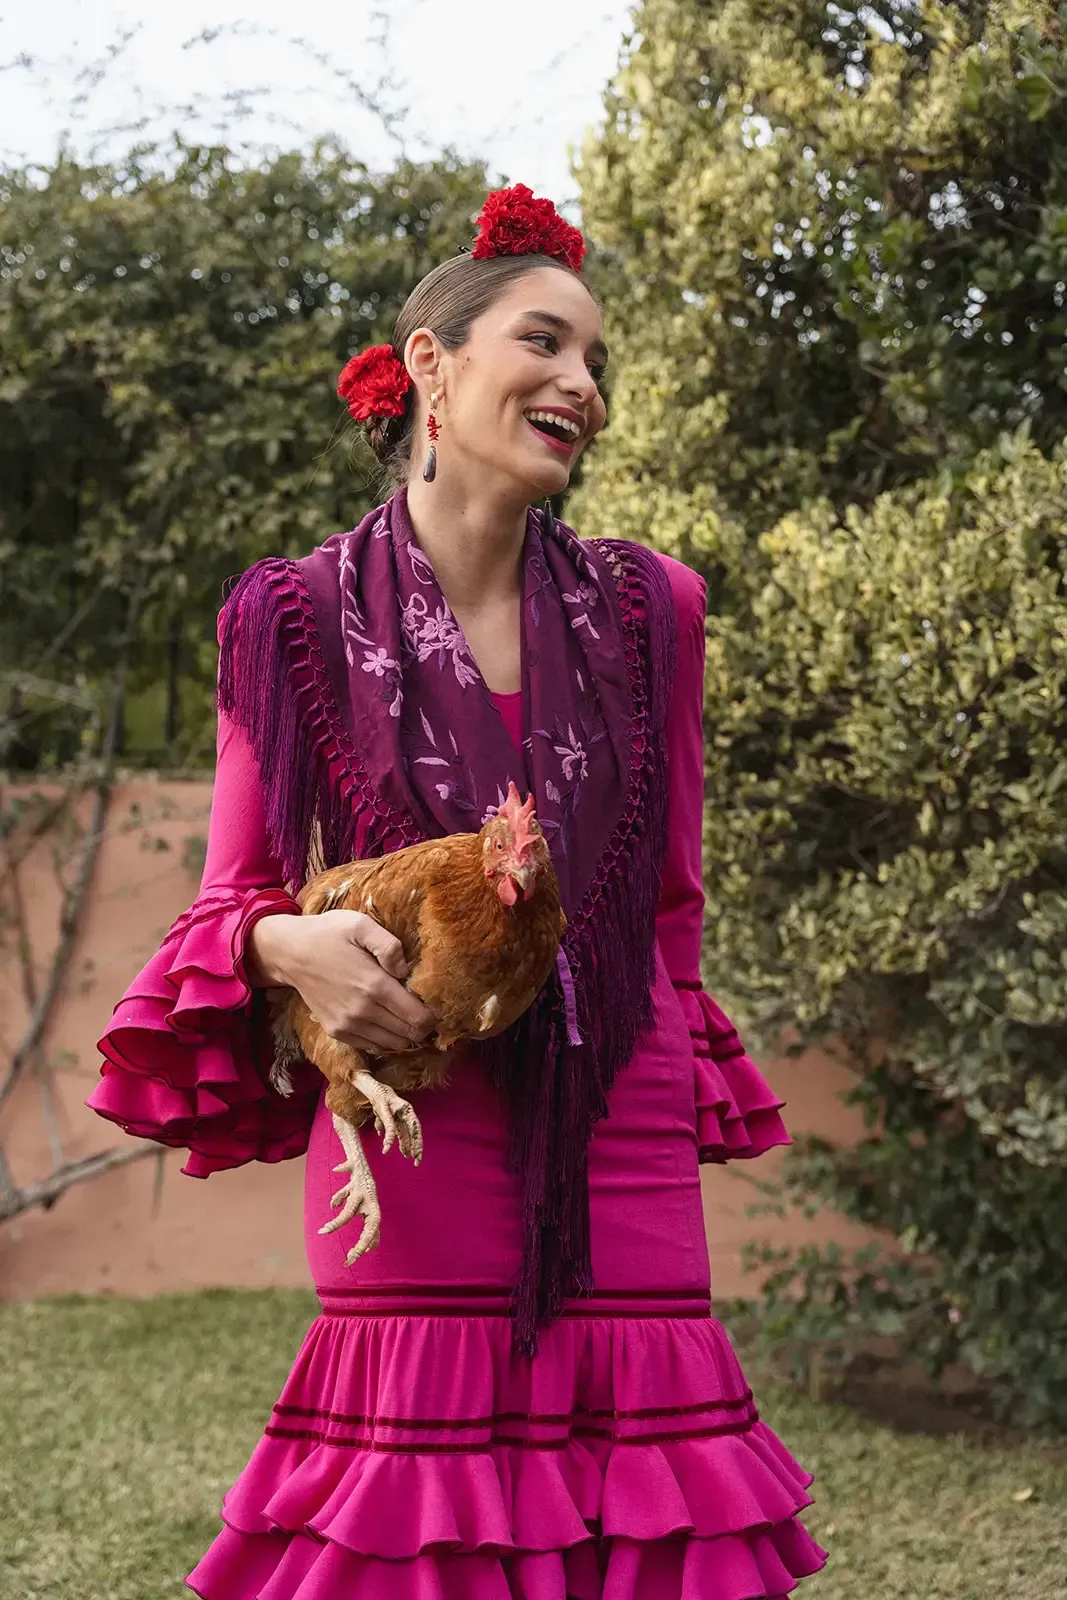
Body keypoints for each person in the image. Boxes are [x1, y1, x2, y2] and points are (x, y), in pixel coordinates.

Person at [89, 184, 828, 1600]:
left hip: (616, 1098)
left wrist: (665, 1076)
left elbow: (667, 899)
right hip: (408, 1121)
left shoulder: (652, 607)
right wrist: (290, 947)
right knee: (418, 1510)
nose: (582, 386)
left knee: (649, 1500)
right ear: (430, 364)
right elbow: (235, 894)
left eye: (597, 363)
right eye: (545, 344)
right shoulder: (287, 615)